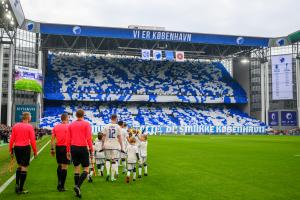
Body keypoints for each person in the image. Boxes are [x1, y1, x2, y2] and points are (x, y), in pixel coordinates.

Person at [67, 109, 93, 198]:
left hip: (73, 147)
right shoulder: (86, 124)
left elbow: (68, 139)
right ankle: (77, 186)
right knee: (86, 169)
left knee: (76, 169)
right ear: (83, 115)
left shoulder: (71, 125)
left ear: (76, 115)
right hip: (82, 147)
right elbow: (89, 138)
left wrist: (68, 151)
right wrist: (91, 149)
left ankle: (77, 190)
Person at [9, 112, 37, 194]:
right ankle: (20, 189)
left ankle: (17, 185)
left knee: (19, 165)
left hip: (16, 147)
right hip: (25, 147)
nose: (31, 117)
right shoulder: (29, 126)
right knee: (24, 167)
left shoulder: (16, 125)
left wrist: (10, 150)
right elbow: (32, 140)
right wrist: (35, 151)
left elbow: (12, 139)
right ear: (28, 118)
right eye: (30, 116)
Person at [51, 113, 70, 192]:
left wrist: (52, 149)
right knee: (65, 167)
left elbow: (52, 140)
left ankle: (59, 182)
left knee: (59, 165)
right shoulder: (69, 126)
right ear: (66, 118)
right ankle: (62, 186)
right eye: (68, 117)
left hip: (58, 147)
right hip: (66, 147)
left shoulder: (56, 127)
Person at [102, 114, 123, 182]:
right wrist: (122, 146)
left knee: (107, 160)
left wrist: (103, 145)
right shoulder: (118, 127)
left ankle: (108, 173)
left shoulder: (106, 126)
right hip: (115, 145)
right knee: (114, 161)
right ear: (116, 118)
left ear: (111, 118)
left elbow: (103, 137)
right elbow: (119, 137)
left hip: (107, 145)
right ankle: (112, 177)